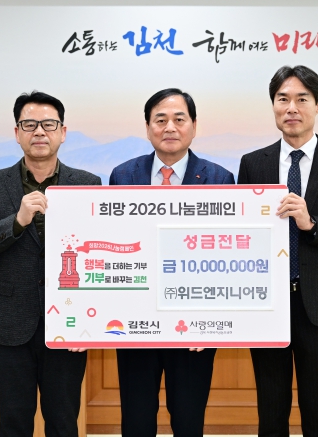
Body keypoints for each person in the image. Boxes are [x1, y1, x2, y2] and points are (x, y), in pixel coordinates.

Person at [238, 66, 318, 437]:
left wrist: (312, 224)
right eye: (283, 99)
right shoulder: (253, 163)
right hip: (267, 302)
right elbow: (243, 233)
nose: (291, 108)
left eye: (302, 99)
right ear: (273, 106)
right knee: (271, 407)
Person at [0, 91, 101, 437]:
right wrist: (17, 221)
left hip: (68, 323)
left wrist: (89, 322)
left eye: (49, 124)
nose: (39, 131)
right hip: (10, 323)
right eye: (29, 124)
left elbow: (98, 260)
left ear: (63, 132)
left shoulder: (87, 184)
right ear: (17, 132)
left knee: (63, 421)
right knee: (14, 422)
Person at [109, 88, 235, 437]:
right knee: (136, 420)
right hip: (135, 319)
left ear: (193, 126)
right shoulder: (123, 175)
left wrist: (209, 320)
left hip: (194, 323)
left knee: (188, 420)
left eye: (179, 119)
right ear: (148, 127)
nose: (169, 127)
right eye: (160, 119)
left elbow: (226, 256)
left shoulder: (219, 179)